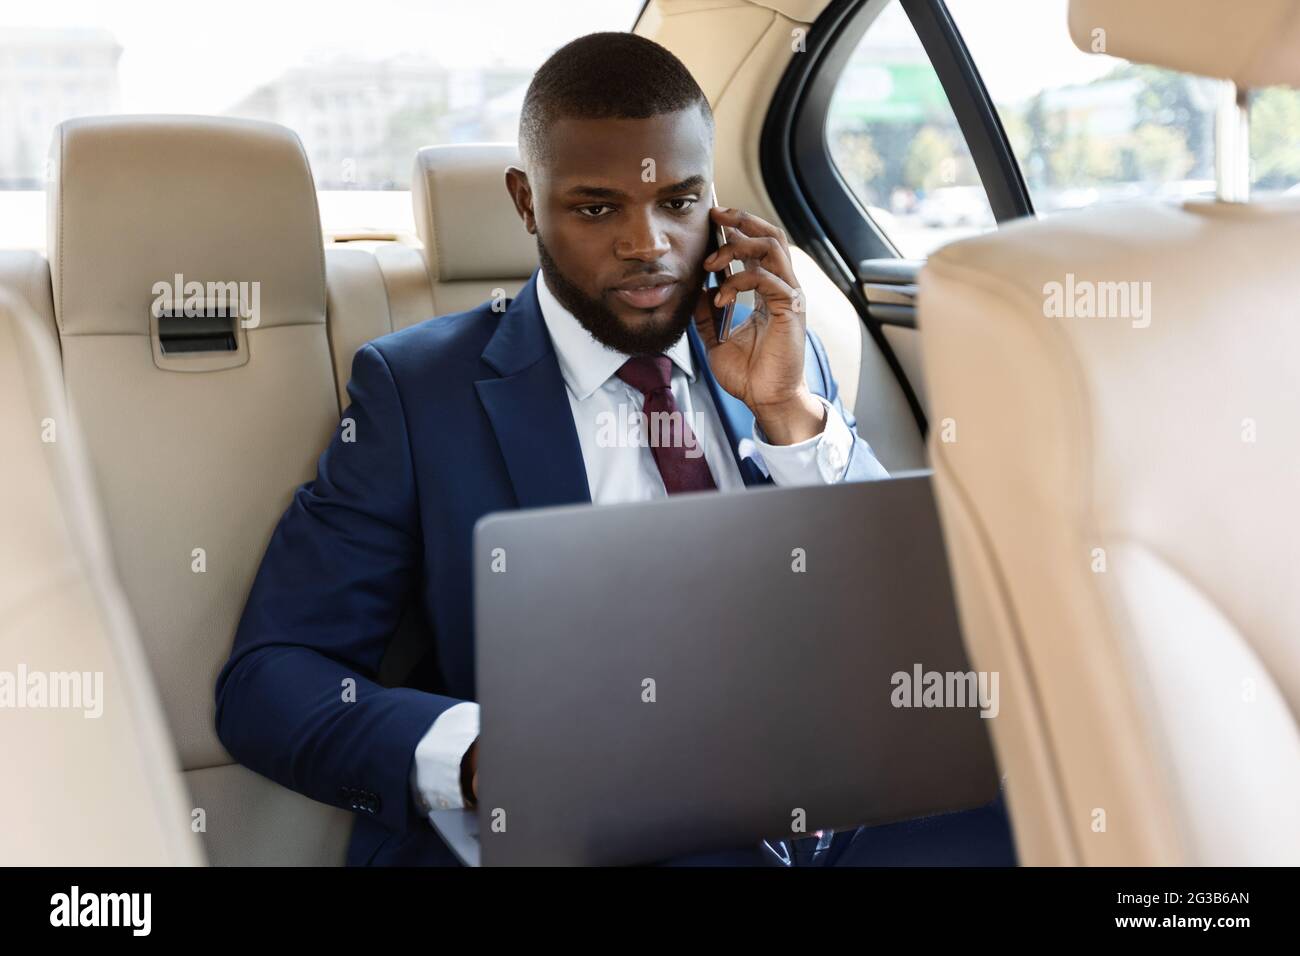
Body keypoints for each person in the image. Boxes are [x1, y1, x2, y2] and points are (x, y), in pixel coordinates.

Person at [215, 30, 1012, 867]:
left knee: (1052, 797)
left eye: (680, 200)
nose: (649, 243)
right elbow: (271, 679)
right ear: (526, 201)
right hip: (603, 830)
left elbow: (898, 617)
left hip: (825, 792)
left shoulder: (777, 352)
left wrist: (789, 415)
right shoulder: (417, 394)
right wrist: (488, 753)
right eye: (598, 209)